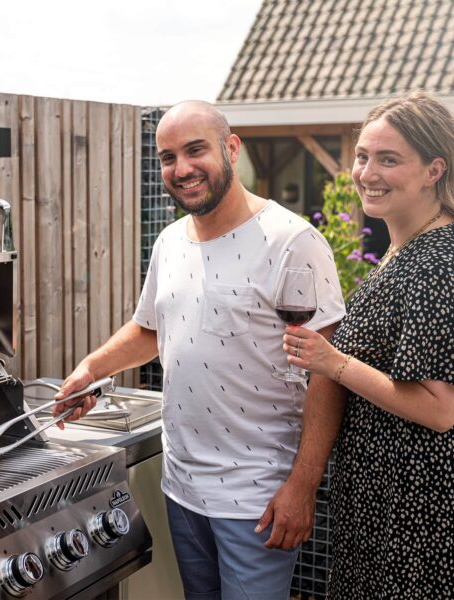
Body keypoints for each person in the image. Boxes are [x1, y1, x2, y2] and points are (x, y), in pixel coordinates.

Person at [54, 100, 345, 600]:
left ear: (230, 148)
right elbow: (150, 329)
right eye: (168, 157)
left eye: (195, 150)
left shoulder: (292, 240)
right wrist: (90, 369)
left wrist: (302, 486)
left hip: (257, 496)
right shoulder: (170, 241)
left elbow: (328, 372)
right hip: (182, 488)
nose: (182, 169)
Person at [282, 91, 454, 599]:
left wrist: (332, 363)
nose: (367, 172)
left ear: (433, 170)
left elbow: (440, 408)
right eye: (362, 156)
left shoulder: (436, 263)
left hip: (415, 510)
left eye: (389, 159)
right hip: (384, 499)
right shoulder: (406, 249)